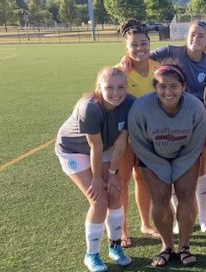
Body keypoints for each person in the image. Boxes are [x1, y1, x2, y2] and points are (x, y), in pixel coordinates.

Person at [55, 67, 134, 271]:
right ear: (99, 87)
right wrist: (98, 179)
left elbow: (121, 143)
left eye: (121, 87)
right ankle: (91, 255)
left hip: (106, 147)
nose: (116, 93)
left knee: (115, 193)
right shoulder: (89, 107)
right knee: (99, 200)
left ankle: (115, 248)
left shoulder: (130, 103)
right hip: (73, 150)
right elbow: (94, 147)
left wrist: (114, 175)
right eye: (109, 87)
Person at [128, 64, 206, 267]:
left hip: (186, 156)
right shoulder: (140, 108)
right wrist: (162, 169)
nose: (168, 92)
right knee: (160, 198)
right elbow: (139, 143)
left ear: (183, 87)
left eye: (174, 86)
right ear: (155, 87)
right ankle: (167, 246)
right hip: (152, 156)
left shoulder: (196, 107)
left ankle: (184, 246)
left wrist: (177, 169)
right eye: (162, 86)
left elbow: (195, 144)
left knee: (186, 196)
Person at [150, 21, 206, 233]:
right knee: (173, 168)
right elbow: (142, 58)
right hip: (167, 121)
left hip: (195, 123)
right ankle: (181, 218)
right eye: (193, 34)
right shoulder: (170, 51)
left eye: (201, 36)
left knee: (200, 169)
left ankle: (203, 217)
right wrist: (125, 60)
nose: (196, 38)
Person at [116, 18, 161, 247]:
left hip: (149, 137)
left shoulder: (158, 68)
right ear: (126, 47)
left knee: (142, 179)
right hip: (123, 137)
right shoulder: (119, 72)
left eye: (143, 43)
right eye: (134, 45)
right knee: (121, 181)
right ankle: (123, 230)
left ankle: (145, 223)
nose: (139, 48)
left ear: (149, 43)